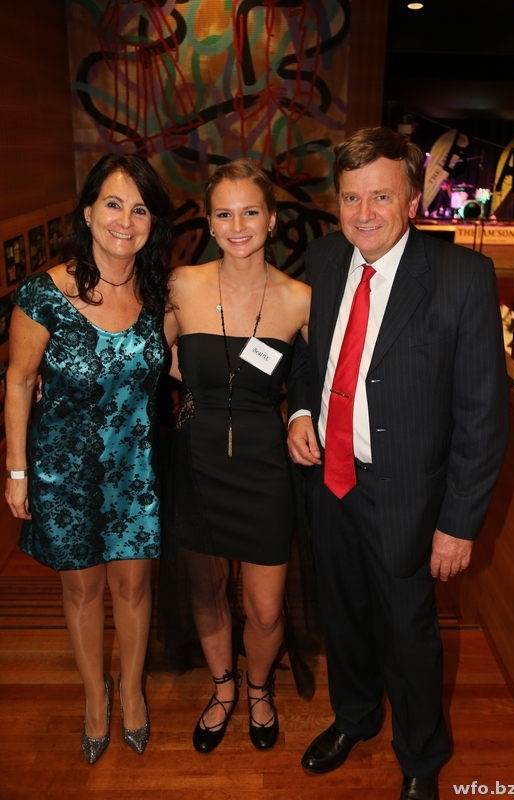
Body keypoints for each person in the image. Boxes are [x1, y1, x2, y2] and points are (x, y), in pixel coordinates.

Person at [286, 127, 509, 800]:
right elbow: (309, 356)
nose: (364, 214)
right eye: (351, 197)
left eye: (381, 196)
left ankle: (421, 755)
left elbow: (483, 416)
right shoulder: (324, 259)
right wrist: (300, 411)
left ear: (412, 199)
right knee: (342, 613)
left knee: (409, 634)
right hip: (331, 480)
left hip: (409, 495)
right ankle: (354, 716)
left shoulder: (462, 278)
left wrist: (458, 525)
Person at [4, 153, 174, 764]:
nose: (125, 220)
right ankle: (95, 698)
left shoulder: (161, 293)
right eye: (113, 204)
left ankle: (131, 690)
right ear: (87, 212)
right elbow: (19, 381)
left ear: (152, 223)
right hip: (65, 471)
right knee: (82, 592)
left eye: (140, 209)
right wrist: (17, 470)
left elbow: (180, 366)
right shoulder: (42, 295)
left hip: (136, 470)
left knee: (134, 587)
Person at [161, 159, 312, 753]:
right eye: (224, 213)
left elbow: (319, 379)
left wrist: (302, 414)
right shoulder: (180, 285)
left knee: (266, 609)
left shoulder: (300, 299)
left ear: (271, 219)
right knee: (206, 590)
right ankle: (224, 689)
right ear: (209, 221)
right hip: (196, 463)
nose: (238, 225)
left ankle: (258, 688)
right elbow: (142, 357)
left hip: (264, 469)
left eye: (251, 212)